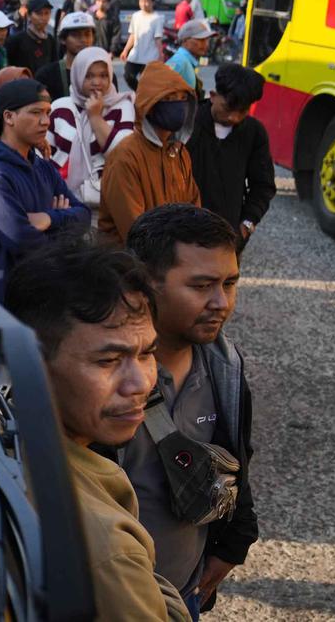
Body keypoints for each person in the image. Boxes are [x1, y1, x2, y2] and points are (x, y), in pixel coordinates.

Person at [5, 241, 191, 622]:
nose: (140, 383)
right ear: (31, 364)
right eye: (108, 360)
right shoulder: (109, 551)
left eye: (146, 354)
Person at [125, 204, 258, 619]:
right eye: (202, 286)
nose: (221, 302)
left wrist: (235, 541)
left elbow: (236, 461)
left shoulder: (225, 367)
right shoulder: (105, 376)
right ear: (147, 284)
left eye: (230, 283)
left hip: (184, 598)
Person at [0, 78, 89, 305]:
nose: (45, 122)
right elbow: (22, 241)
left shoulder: (42, 166)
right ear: (9, 117)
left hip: (46, 294)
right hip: (6, 303)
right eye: (35, 113)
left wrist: (48, 219)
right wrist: (62, 228)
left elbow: (83, 215)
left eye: (47, 112)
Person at [99, 62, 202, 245]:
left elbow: (194, 212)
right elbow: (135, 230)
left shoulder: (179, 153)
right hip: (127, 266)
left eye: (182, 98)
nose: (178, 106)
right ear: (150, 105)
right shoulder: (125, 157)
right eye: (169, 99)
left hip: (171, 263)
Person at [187, 64, 275, 248]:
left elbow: (263, 185)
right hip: (185, 233)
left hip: (229, 239)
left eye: (242, 112)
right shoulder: (188, 123)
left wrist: (246, 226)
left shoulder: (254, 133)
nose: (233, 118)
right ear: (212, 96)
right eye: (228, 108)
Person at [47, 46, 135, 212]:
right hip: (62, 204)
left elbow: (123, 154)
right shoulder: (59, 107)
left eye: (103, 75)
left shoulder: (122, 106)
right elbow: (44, 155)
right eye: (89, 76)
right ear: (77, 75)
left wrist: (95, 117)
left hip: (105, 204)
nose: (96, 82)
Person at [36, 11, 96, 102]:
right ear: (63, 39)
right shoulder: (47, 74)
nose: (84, 40)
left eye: (87, 34)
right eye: (76, 35)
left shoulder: (104, 73)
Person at [121, 0, 166, 91]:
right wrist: (125, 50)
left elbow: (158, 38)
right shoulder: (135, 16)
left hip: (150, 57)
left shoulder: (157, 18)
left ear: (153, 2)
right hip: (136, 55)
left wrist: (160, 55)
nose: (143, 4)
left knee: (147, 81)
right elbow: (133, 35)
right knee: (128, 75)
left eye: (147, 1)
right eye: (141, 1)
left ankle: (144, 98)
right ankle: (139, 92)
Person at [5, 0, 56, 75]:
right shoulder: (16, 40)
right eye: (39, 13)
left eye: (47, 13)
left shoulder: (50, 40)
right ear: (29, 15)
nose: (43, 18)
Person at [167, 20, 216, 94]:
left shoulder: (185, 61)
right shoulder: (179, 63)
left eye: (207, 40)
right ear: (185, 41)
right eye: (201, 39)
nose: (206, 44)